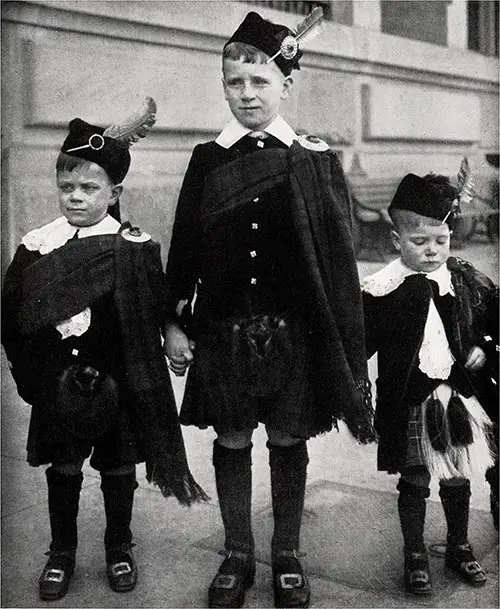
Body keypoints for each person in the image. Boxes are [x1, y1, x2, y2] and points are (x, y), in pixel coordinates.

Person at [163, 10, 375, 609]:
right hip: (223, 330)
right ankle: (236, 553)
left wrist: (343, 339)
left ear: (287, 83)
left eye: (260, 81)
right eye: (235, 82)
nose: (247, 94)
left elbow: (338, 259)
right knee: (230, 437)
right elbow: (184, 244)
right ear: (224, 86)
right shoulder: (208, 158)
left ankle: (286, 554)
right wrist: (175, 320)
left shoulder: (313, 158)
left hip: (295, 333)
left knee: (286, 437)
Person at [2, 100, 207, 602]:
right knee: (64, 467)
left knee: (117, 468)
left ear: (115, 192)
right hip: (57, 387)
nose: (75, 197)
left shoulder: (132, 246)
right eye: (66, 187)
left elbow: (156, 304)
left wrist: (173, 332)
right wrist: (34, 383)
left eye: (89, 188)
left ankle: (119, 544)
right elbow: (13, 319)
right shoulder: (38, 246)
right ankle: (62, 551)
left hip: (119, 387)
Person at [361, 171, 499, 596]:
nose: (432, 251)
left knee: (458, 476)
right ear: (395, 239)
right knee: (415, 479)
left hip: (459, 398)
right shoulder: (382, 287)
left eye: (441, 241)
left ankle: (459, 544)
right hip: (410, 401)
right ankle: (415, 552)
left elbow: (490, 322)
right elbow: (359, 344)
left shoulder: (464, 281)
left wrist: (482, 350)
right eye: (420, 242)